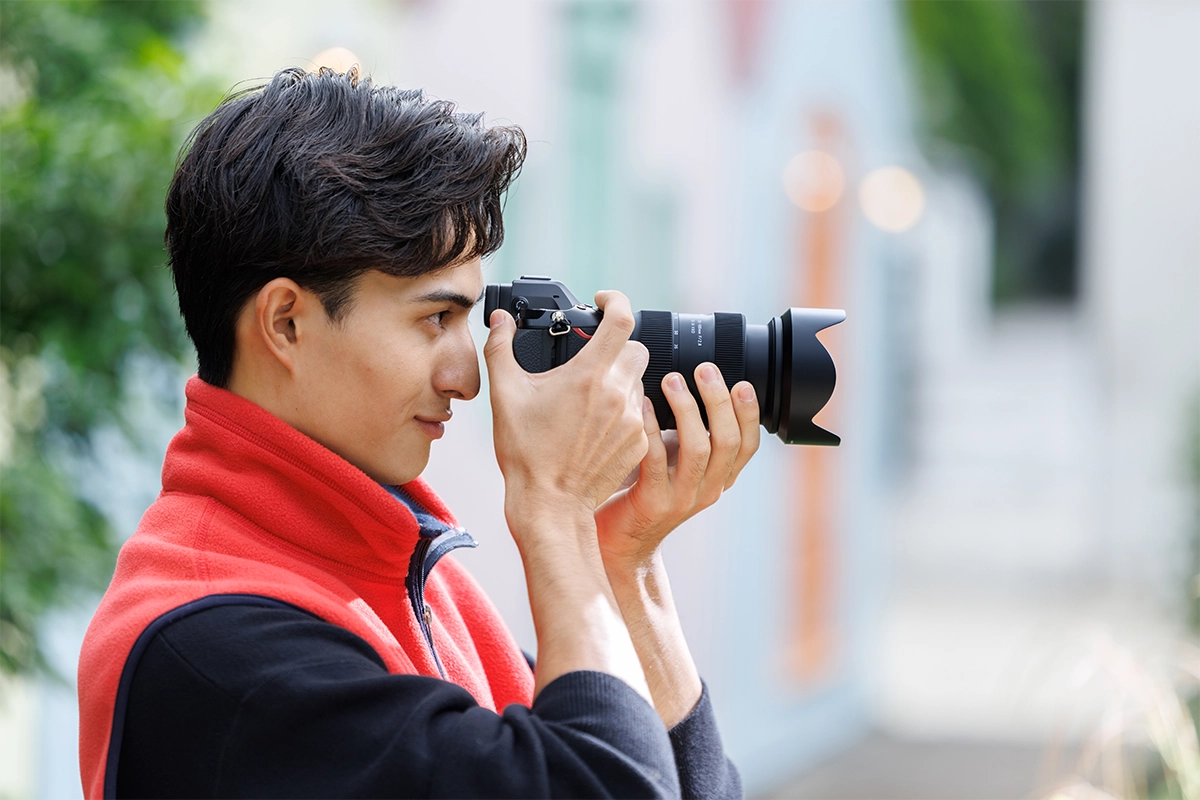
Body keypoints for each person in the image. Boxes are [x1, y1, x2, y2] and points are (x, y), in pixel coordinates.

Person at [77, 66, 761, 800]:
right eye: (435, 319)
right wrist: (553, 509)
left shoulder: (405, 575)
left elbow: (659, 778)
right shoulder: (217, 646)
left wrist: (622, 564)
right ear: (286, 323)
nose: (468, 377)